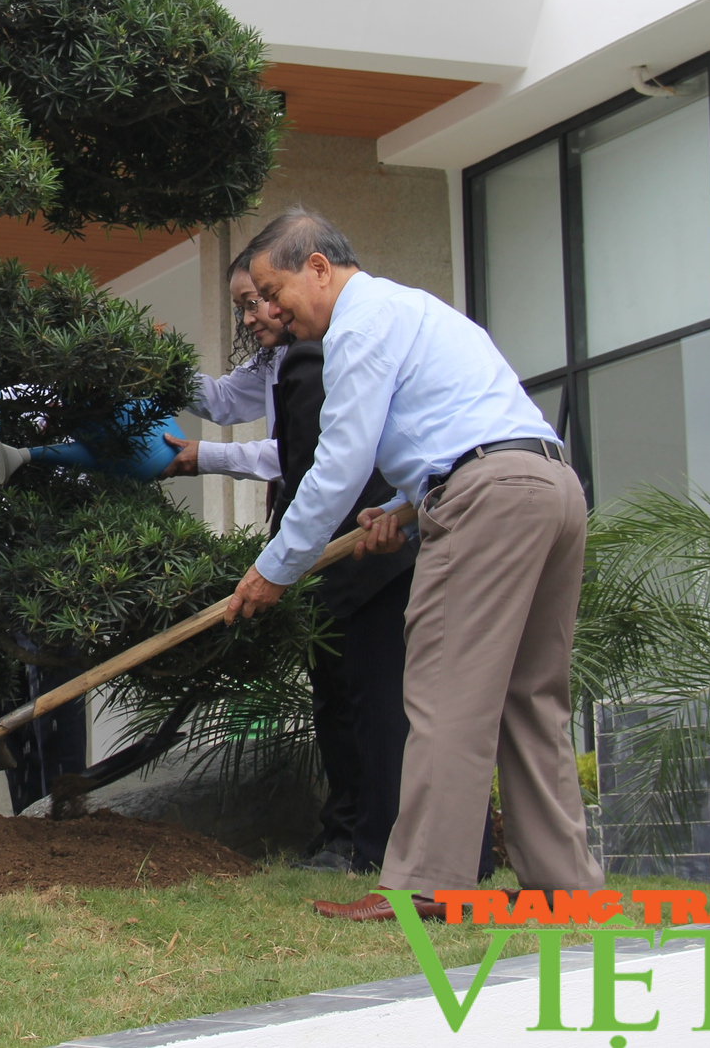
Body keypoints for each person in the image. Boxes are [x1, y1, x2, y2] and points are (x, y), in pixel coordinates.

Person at [227, 208, 600, 920]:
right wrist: (403, 506)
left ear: (318, 266)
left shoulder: (359, 325)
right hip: (550, 486)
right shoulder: (417, 308)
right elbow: (461, 421)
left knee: (444, 688)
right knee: (531, 696)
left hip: (488, 497)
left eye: (274, 292)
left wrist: (274, 566)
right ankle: (565, 888)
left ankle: (428, 883)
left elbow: (338, 463)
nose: (269, 311)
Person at [162, 259, 423, 873]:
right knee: (340, 698)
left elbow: (317, 464)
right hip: (334, 555)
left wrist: (276, 563)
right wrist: (166, 373)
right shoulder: (282, 359)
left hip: (362, 552)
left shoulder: (324, 354)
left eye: (264, 299)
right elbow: (227, 401)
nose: (257, 316)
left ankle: (372, 844)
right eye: (247, 306)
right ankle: (348, 836)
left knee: (370, 703)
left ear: (311, 277)